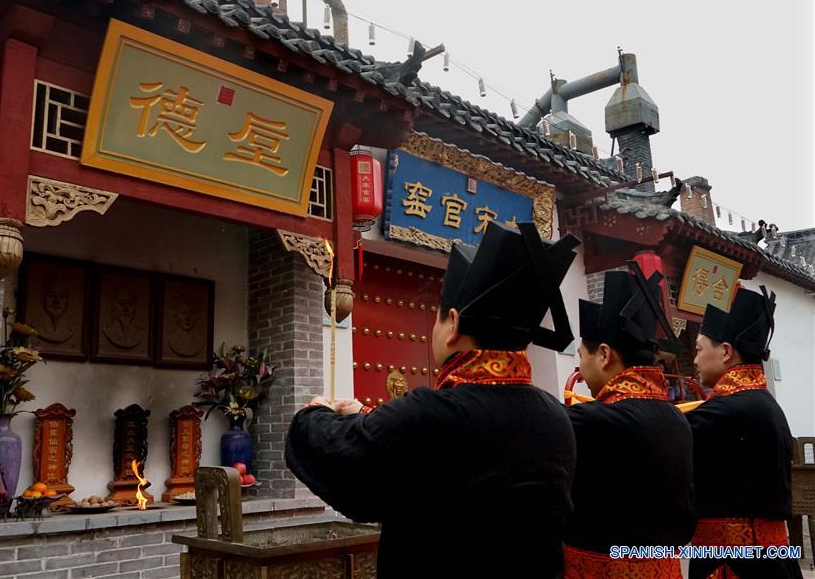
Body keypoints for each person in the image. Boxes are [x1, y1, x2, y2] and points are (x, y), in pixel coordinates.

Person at [285, 222, 580, 579]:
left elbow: (349, 464)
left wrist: (316, 413)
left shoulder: (431, 414)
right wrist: (364, 415)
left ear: (452, 324)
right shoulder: (555, 416)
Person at [564, 263, 696, 578]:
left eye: (582, 356)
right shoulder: (678, 418)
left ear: (605, 354)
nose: (580, 370)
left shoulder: (593, 421)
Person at [687, 286, 802, 579]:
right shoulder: (763, 404)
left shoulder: (726, 411)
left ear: (726, 352)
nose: (695, 360)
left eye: (699, 349)